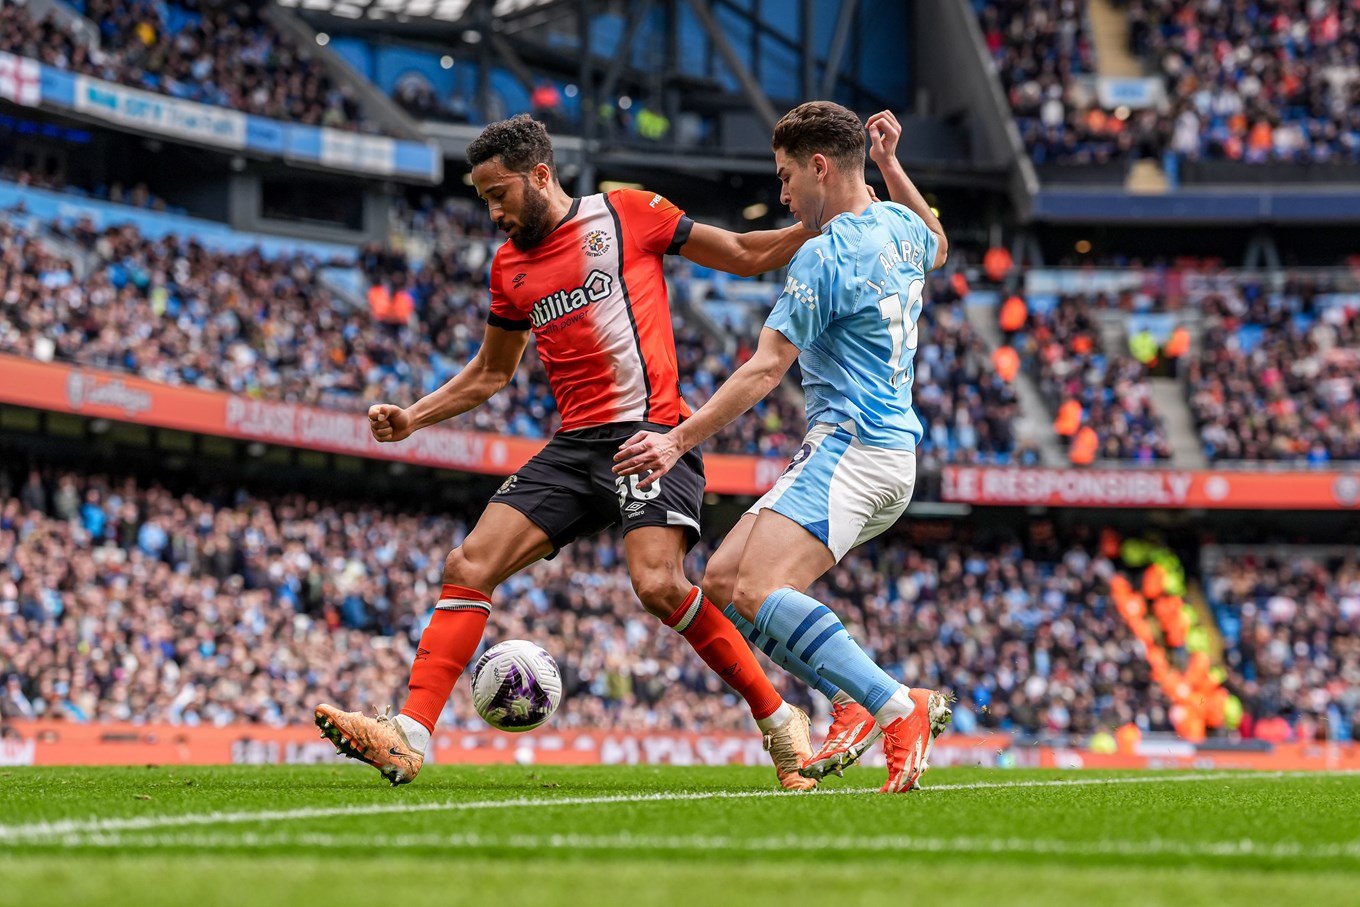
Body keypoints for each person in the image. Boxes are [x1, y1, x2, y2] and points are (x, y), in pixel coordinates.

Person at [315, 114, 821, 790]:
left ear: (541, 175)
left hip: (650, 432)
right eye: (483, 197)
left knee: (659, 585)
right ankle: (408, 736)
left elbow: (744, 252)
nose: (492, 211)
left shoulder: (628, 212)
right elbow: (493, 371)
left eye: (499, 193)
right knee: (469, 562)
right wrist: (414, 416)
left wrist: (824, 223)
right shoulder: (508, 268)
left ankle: (780, 718)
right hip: (575, 444)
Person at [613, 103, 952, 793]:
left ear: (819, 165)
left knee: (760, 587)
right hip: (882, 454)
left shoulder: (825, 253)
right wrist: (891, 164)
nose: (783, 193)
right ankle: (853, 698)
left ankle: (895, 703)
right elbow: (937, 242)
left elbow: (766, 368)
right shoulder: (898, 225)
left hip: (850, 448)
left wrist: (678, 439)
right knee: (722, 585)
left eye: (787, 175)